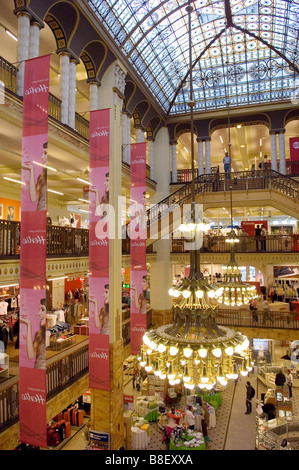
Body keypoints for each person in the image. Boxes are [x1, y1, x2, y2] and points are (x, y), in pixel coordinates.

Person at [20, 298, 46, 369]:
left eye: (42, 310)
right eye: (39, 310)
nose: (39, 313)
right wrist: (28, 324)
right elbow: (31, 355)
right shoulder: (39, 334)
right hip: (38, 369)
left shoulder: (50, 332)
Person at [22, 142, 48, 211]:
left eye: (45, 153)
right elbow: (33, 198)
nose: (42, 157)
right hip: (39, 214)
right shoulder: (42, 177)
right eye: (42, 153)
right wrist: (31, 170)